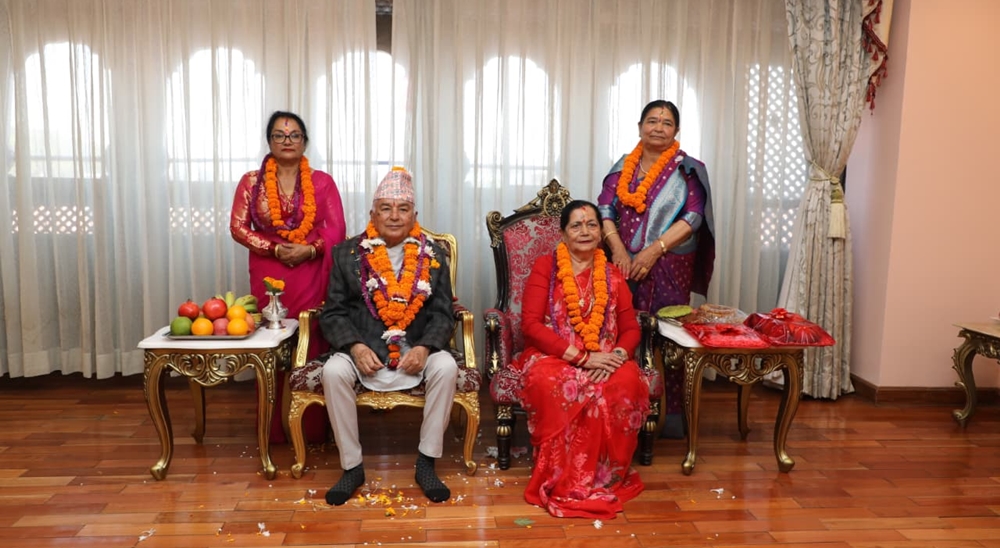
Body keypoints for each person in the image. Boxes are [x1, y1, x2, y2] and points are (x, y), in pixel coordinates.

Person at [318, 167, 458, 506]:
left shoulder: (433, 254)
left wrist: (424, 348)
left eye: (403, 209)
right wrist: (355, 346)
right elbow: (333, 313)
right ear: (373, 215)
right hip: (364, 347)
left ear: (414, 217)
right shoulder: (346, 254)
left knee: (446, 367)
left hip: (415, 347)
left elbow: (443, 313)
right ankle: (352, 467)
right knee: (333, 371)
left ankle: (426, 462)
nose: (394, 216)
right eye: (386, 208)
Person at [516, 200, 651, 520]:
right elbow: (530, 325)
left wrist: (616, 356)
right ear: (563, 234)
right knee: (559, 383)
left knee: (626, 381)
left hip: (606, 357)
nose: (585, 231)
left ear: (601, 233)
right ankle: (564, 477)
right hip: (555, 355)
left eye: (592, 224)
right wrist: (582, 358)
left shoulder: (612, 274)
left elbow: (631, 328)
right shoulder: (546, 268)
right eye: (576, 225)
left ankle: (605, 477)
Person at [597, 99, 715, 439]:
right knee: (619, 328)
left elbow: (693, 216)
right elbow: (605, 209)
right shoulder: (622, 167)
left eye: (666, 122)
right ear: (639, 127)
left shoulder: (687, 169)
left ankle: (670, 417)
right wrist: (618, 249)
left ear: (676, 131)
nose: (658, 127)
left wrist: (652, 251)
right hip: (621, 262)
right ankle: (618, 408)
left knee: (667, 335)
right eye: (652, 120)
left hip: (669, 263)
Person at [230, 110, 346, 444]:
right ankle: (273, 429)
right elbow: (237, 227)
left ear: (304, 142)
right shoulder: (252, 182)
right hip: (269, 272)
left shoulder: (322, 182)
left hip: (310, 270)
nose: (287, 141)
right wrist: (273, 248)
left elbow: (337, 228)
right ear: (269, 141)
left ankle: (311, 428)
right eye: (279, 135)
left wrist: (309, 250)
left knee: (309, 339)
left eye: (294, 135)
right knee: (272, 342)